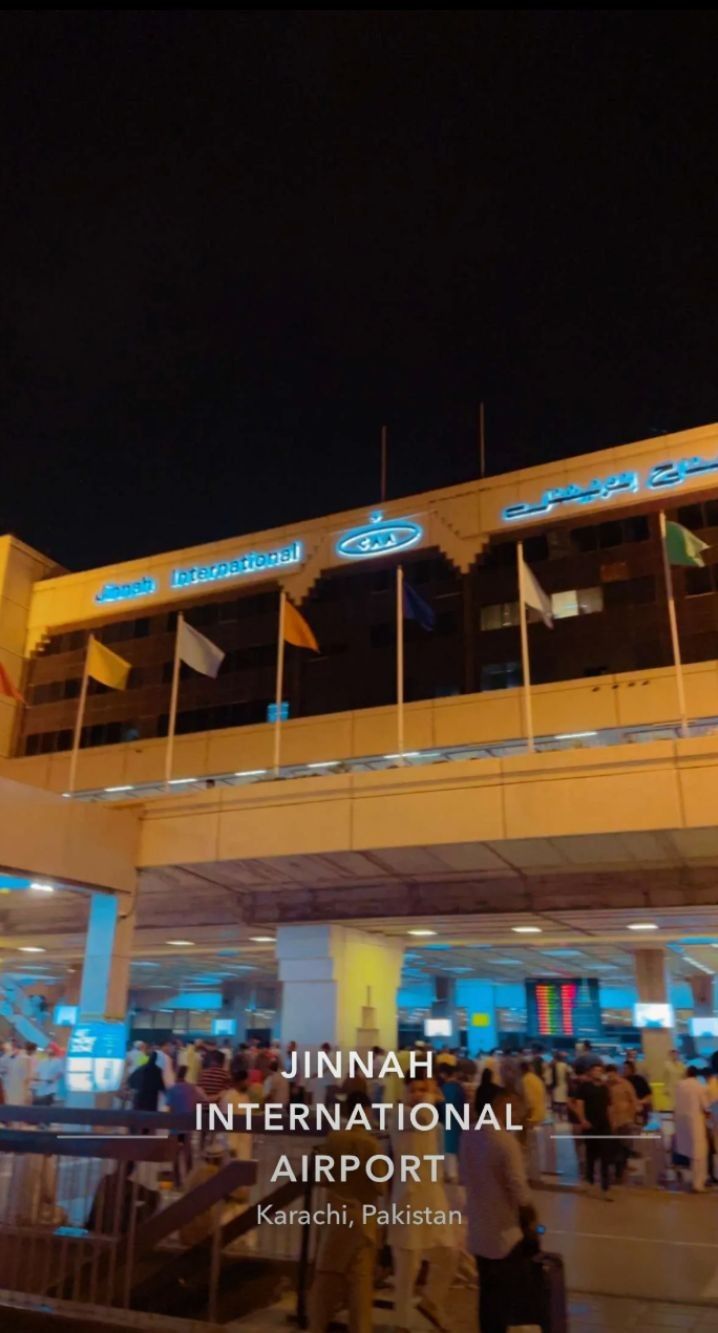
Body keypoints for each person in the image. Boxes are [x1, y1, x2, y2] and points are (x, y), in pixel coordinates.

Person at [461, 1084, 536, 1333]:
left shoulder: (468, 1135)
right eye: (508, 1104)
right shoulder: (505, 1141)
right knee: (505, 1299)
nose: (512, 1110)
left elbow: (464, 1176)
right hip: (505, 1233)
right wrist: (531, 1216)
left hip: (479, 1230)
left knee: (487, 1297)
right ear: (497, 1105)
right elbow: (519, 1189)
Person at [310, 1091, 386, 1332]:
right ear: (365, 1111)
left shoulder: (333, 1140)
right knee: (360, 1288)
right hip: (363, 1218)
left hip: (336, 1215)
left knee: (326, 1280)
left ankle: (316, 1327)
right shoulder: (371, 1144)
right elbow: (380, 1186)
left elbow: (322, 1178)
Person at [389, 1077, 458, 1333]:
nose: (418, 1095)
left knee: (449, 1254)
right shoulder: (401, 1115)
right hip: (410, 1199)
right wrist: (432, 1095)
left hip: (433, 1197)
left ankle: (431, 1301)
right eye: (414, 1090)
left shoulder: (429, 1120)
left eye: (422, 1090)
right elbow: (424, 1118)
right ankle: (401, 1324)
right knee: (408, 1267)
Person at [576, 1060, 614, 1199]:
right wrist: (582, 1120)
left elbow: (609, 1106)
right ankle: (590, 1181)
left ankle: (605, 1186)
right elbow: (580, 1104)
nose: (598, 1073)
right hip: (590, 1125)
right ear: (590, 1073)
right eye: (595, 1070)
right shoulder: (584, 1087)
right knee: (591, 1154)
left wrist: (611, 1123)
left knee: (605, 1156)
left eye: (600, 1070)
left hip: (604, 1125)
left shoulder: (605, 1088)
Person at [674, 1067, 710, 1192]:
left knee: (689, 1151)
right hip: (695, 1122)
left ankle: (692, 1180)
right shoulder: (699, 1087)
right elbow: (706, 1107)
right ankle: (698, 1183)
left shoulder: (679, 1086)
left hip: (681, 1123)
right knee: (699, 1153)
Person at [605, 1064, 639, 1184]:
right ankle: (617, 1170)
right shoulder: (606, 1086)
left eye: (612, 1074)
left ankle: (620, 1171)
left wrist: (631, 1116)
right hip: (611, 1121)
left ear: (616, 1073)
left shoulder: (625, 1084)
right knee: (614, 1147)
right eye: (608, 1075)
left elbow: (634, 1100)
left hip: (625, 1120)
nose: (610, 1077)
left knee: (624, 1146)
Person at [438, 1061, 466, 1183]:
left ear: (444, 1074)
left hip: (448, 1118)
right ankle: (459, 1172)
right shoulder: (459, 1087)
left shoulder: (445, 1088)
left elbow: (443, 1104)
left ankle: (451, 1174)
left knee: (449, 1145)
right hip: (459, 1118)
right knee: (457, 1144)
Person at [520, 1059, 547, 1183]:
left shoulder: (525, 1080)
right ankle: (535, 1174)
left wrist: (526, 1118)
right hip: (540, 1114)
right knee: (534, 1147)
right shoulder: (536, 1079)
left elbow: (528, 1101)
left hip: (531, 1117)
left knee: (528, 1147)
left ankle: (530, 1175)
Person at [551, 1051, 570, 1119]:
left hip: (555, 1086)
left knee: (557, 1102)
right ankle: (562, 1117)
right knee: (563, 1102)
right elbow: (569, 1074)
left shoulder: (553, 1065)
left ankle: (558, 1117)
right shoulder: (564, 1065)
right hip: (564, 1085)